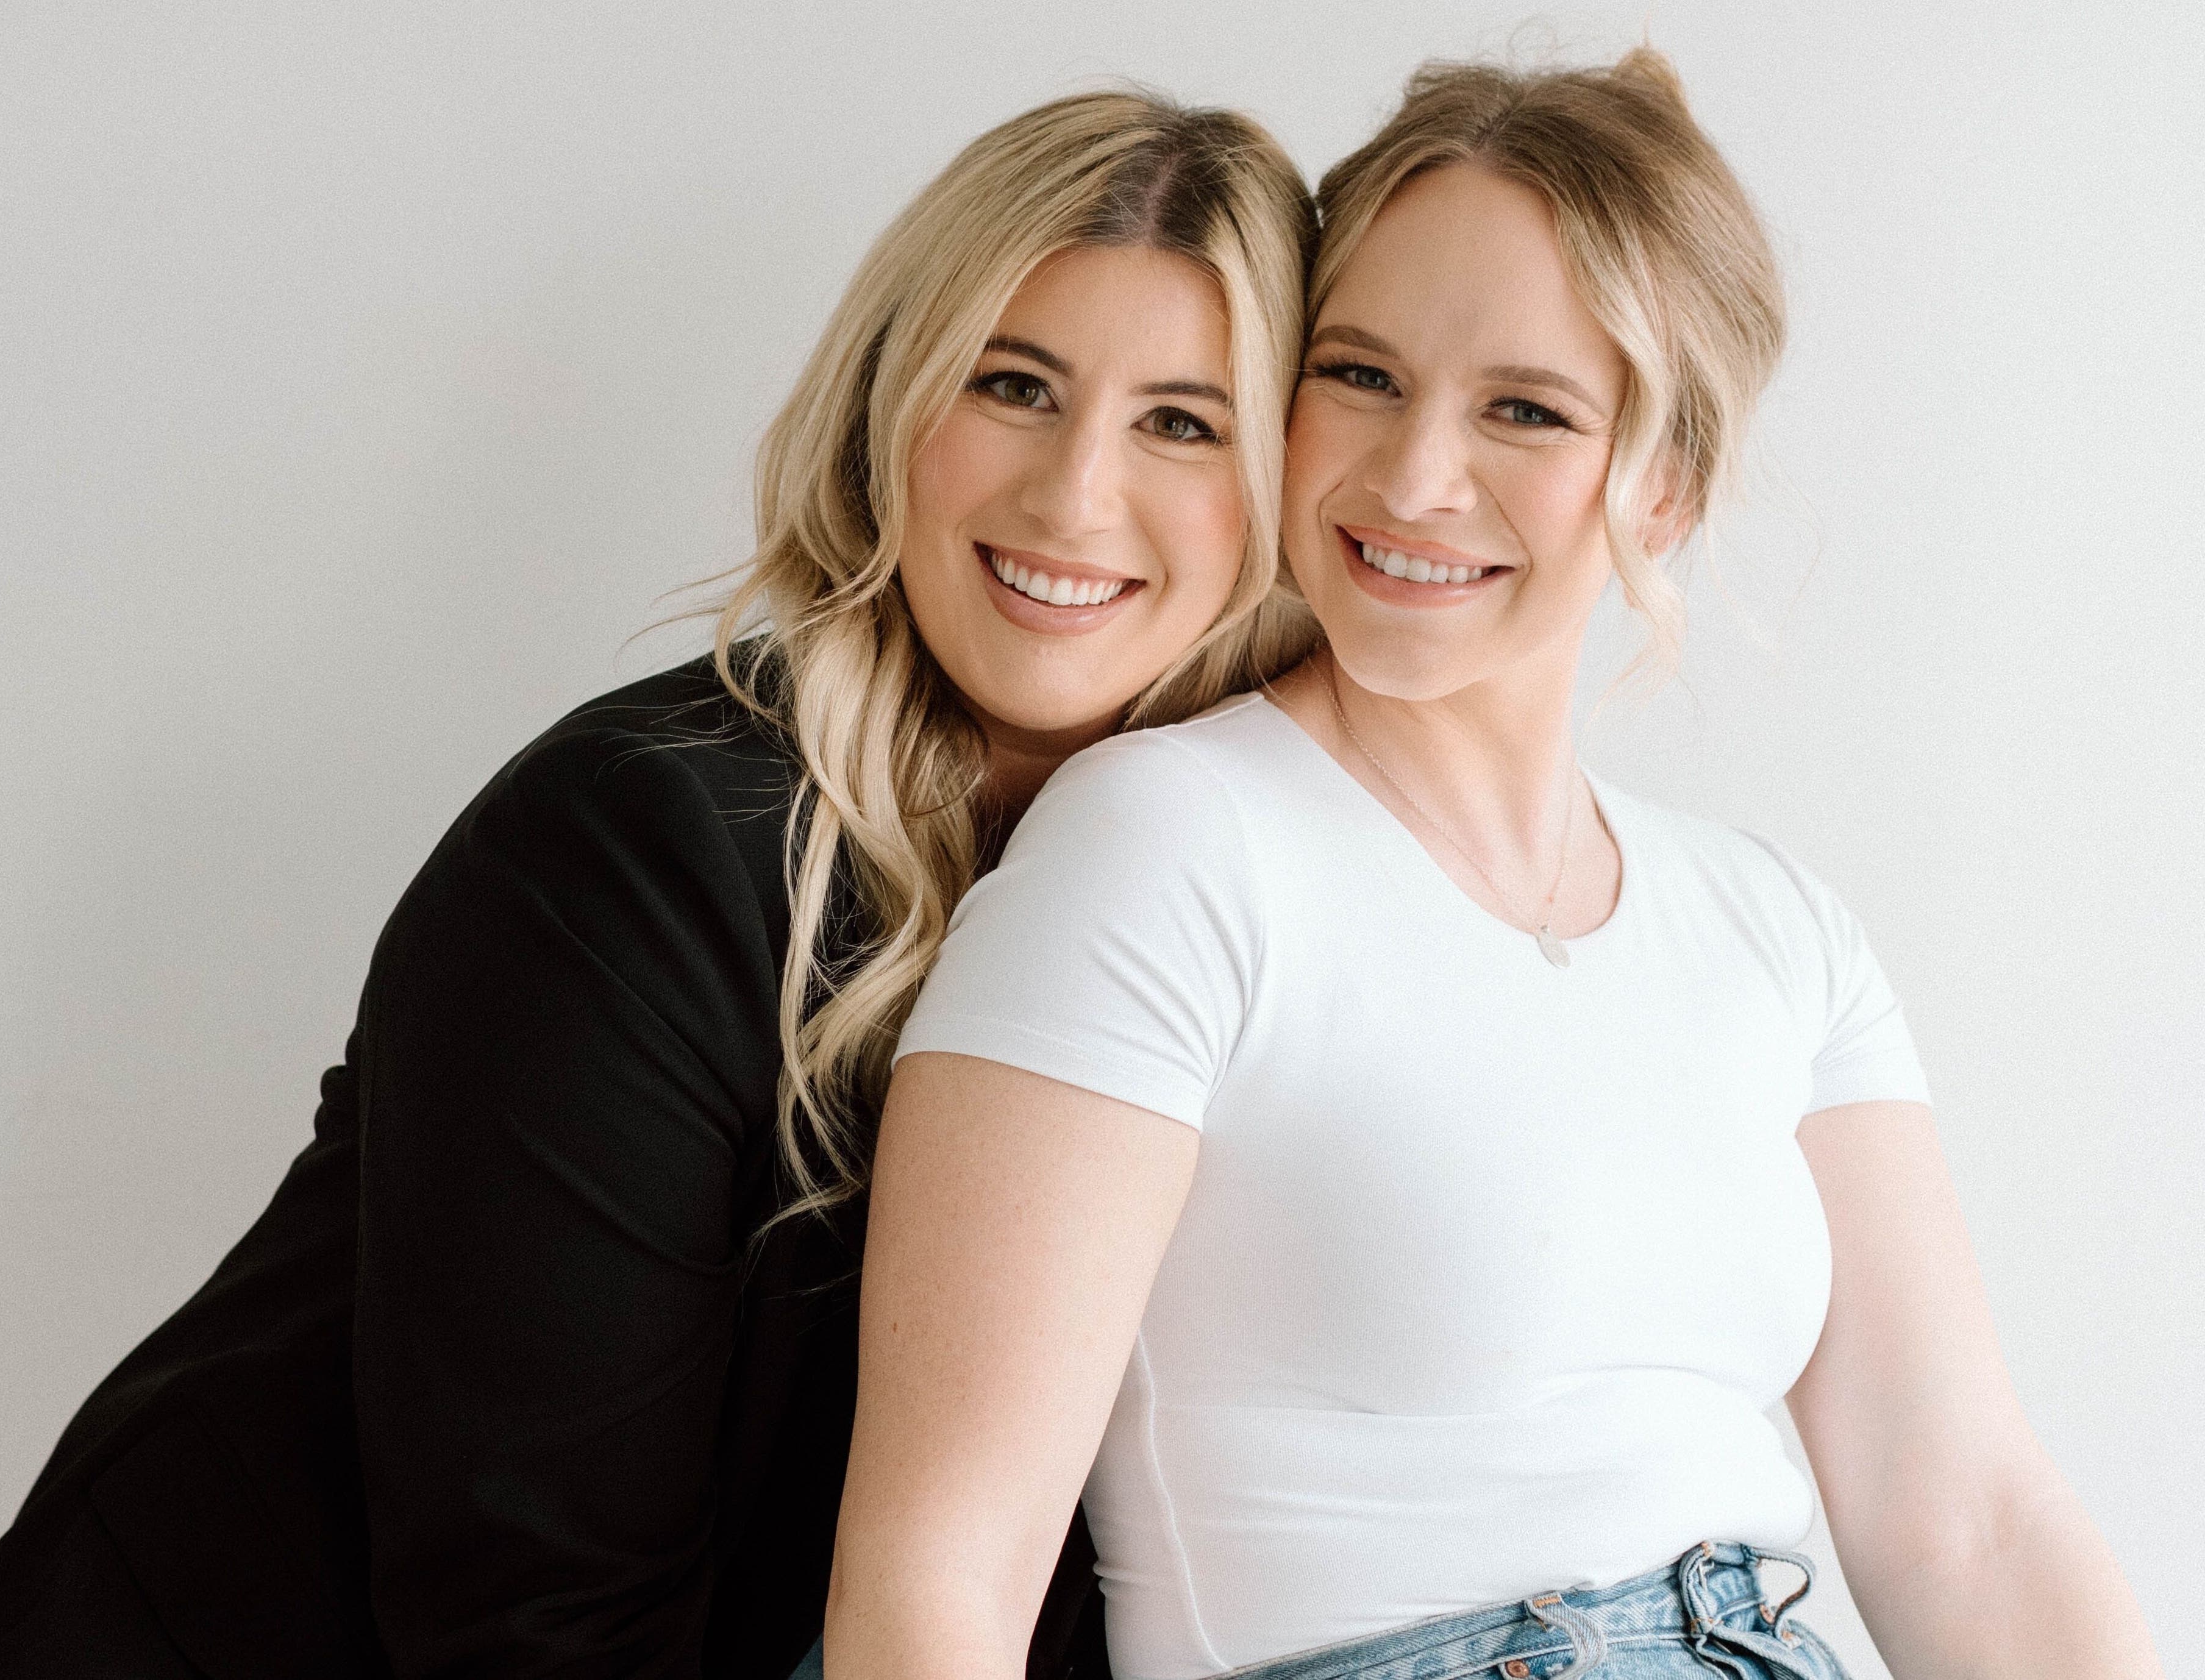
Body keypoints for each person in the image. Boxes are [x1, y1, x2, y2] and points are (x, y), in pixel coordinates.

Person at [0, 90, 1318, 1680]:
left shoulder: (1226, 897)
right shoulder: (641, 847)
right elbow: (532, 1624)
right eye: (1014, 384)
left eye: (1183, 422)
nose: (1073, 497)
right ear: (890, 405)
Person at [826, 51, 2167, 1680]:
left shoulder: (1773, 929)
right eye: (1363, 376)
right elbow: (936, 1575)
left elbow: (1966, 1514)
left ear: (1663, 485)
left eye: (1523, 409)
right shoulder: (1162, 845)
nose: (1410, 479)